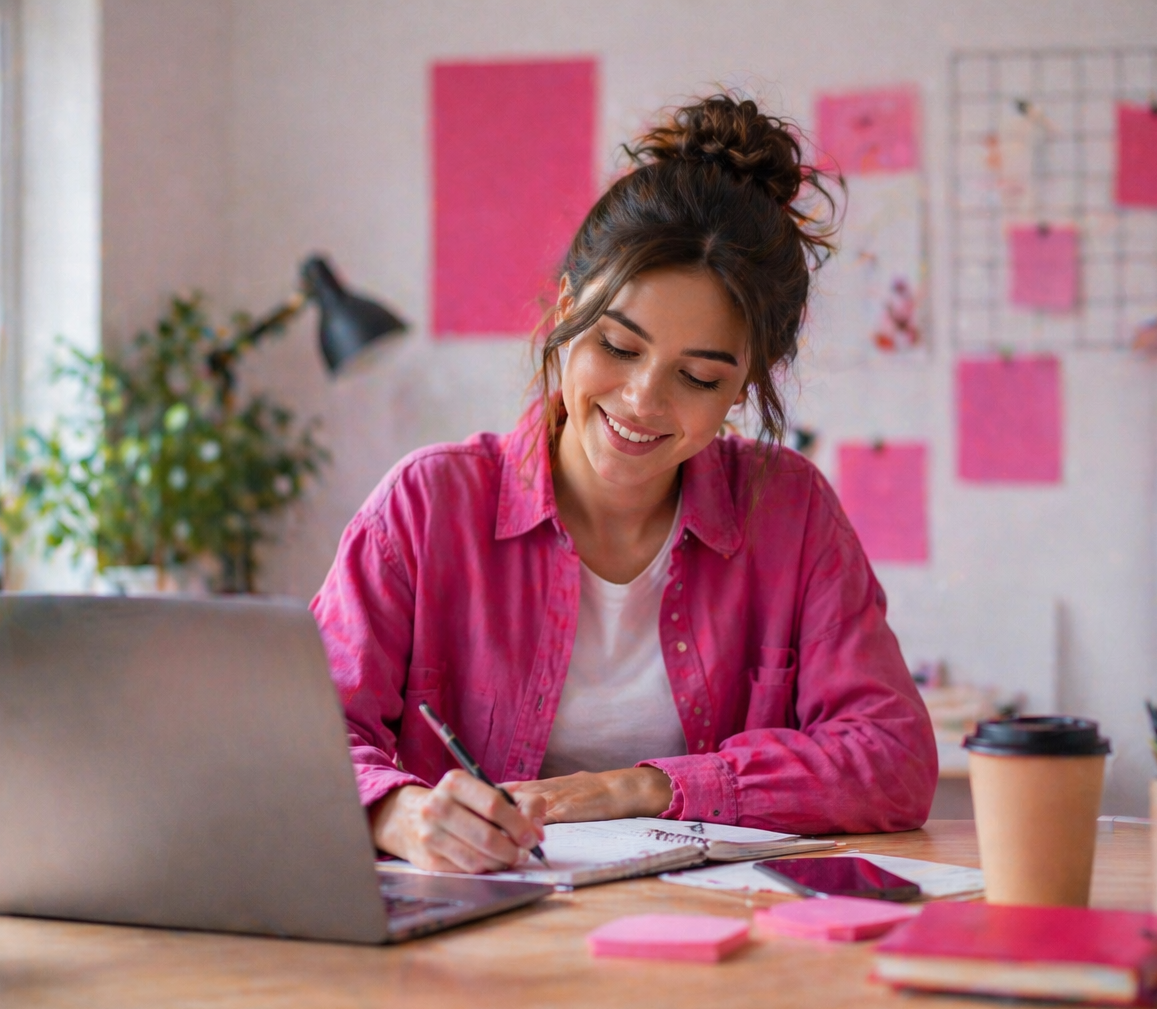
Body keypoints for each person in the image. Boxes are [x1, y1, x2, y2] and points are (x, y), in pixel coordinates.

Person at [311, 94, 937, 875]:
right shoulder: (425, 507)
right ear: (567, 311)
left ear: (744, 385)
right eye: (617, 344)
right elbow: (306, 740)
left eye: (700, 376)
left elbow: (893, 760)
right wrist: (400, 814)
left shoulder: (790, 511)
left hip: (711, 952)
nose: (644, 400)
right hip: (476, 952)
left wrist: (638, 790)